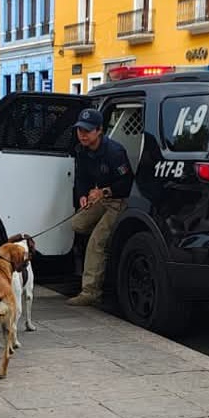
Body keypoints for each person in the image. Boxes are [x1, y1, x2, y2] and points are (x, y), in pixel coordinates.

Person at [68, 108, 133, 306]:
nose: (82, 135)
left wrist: (104, 192)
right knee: (77, 224)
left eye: (87, 131)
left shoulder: (115, 151)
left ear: (99, 131)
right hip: (99, 199)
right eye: (80, 130)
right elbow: (82, 178)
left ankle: (91, 292)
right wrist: (82, 196)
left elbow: (127, 183)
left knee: (96, 242)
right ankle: (105, 250)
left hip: (119, 200)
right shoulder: (82, 150)